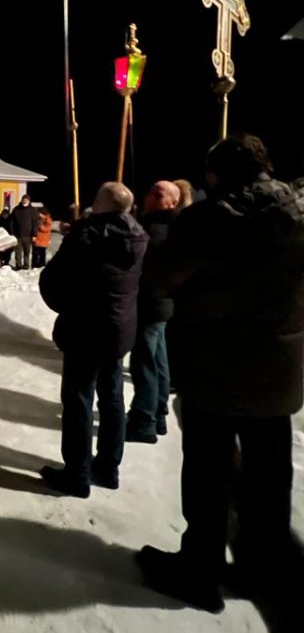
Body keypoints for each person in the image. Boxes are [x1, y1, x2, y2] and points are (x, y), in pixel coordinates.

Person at [136, 135, 304, 613]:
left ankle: (200, 572)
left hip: (216, 367)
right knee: (269, 475)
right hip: (279, 369)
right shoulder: (297, 213)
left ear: (216, 174)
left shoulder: (209, 219)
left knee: (209, 473)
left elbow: (162, 278)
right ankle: (264, 569)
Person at [39, 182, 148, 497]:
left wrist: (66, 306)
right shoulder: (138, 236)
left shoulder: (86, 237)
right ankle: (109, 467)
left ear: (99, 205)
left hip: (85, 330)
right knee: (112, 398)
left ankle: (77, 474)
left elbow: (53, 281)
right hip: (118, 329)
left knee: (79, 401)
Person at [125, 181, 180, 443]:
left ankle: (144, 420)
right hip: (162, 304)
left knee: (144, 362)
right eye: (150, 192)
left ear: (172, 202)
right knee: (158, 359)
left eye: (157, 195)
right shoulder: (174, 226)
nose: (150, 198)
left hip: (150, 303)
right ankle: (157, 414)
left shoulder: (153, 229)